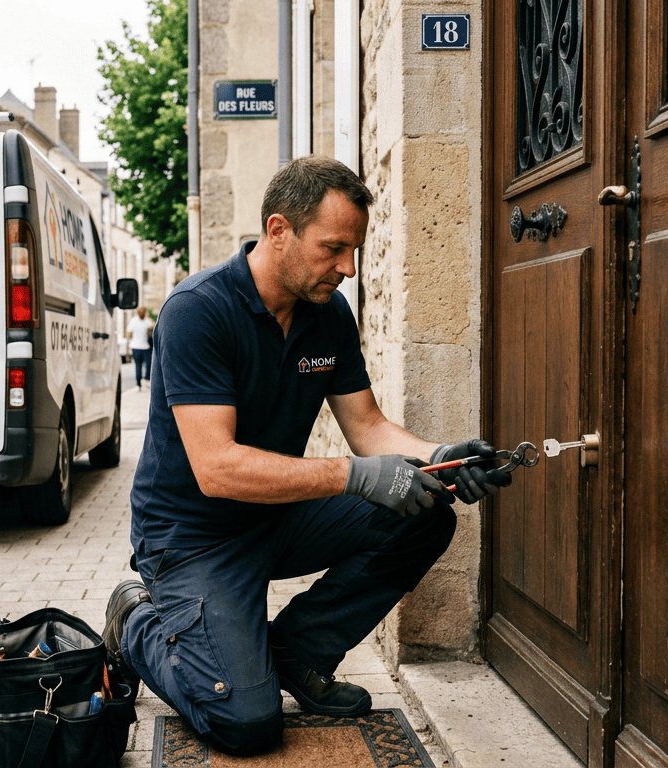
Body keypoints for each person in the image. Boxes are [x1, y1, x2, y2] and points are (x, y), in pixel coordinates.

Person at [101, 156, 516, 757]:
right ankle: (135, 620)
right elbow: (217, 468)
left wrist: (442, 459)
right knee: (246, 724)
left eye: (354, 250)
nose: (348, 268)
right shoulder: (197, 310)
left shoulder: (328, 314)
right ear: (279, 231)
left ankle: (298, 653)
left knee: (426, 512)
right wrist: (353, 476)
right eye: (333, 248)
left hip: (276, 517)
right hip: (192, 538)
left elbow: (367, 427)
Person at [125, 306, 155, 390]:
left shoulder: (147, 321)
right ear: (138, 313)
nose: (142, 313)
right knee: (138, 366)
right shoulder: (133, 321)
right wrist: (128, 345)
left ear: (145, 313)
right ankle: (138, 384)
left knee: (149, 365)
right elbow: (129, 333)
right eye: (140, 312)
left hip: (146, 347)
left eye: (143, 312)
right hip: (136, 347)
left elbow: (152, 329)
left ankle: (147, 379)